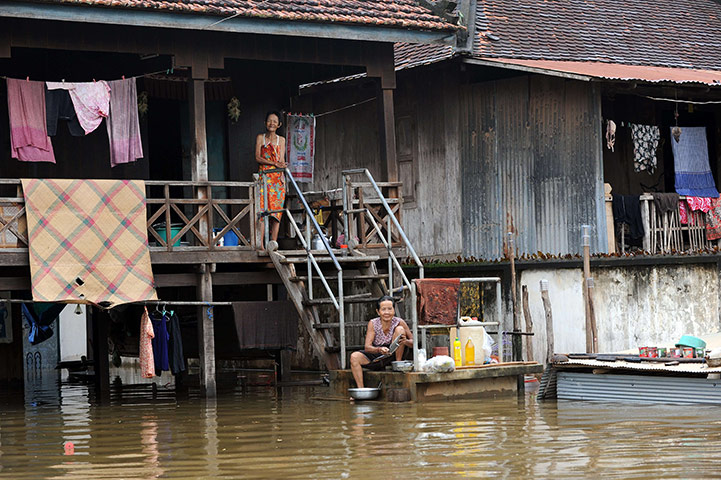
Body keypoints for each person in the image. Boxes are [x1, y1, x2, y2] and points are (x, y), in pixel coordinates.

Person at [350, 295, 413, 389]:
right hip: (378, 354)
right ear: (378, 312)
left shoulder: (399, 321)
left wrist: (405, 341)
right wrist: (379, 349)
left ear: (394, 311)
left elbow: (413, 343)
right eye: (383, 309)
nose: (387, 312)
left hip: (394, 354)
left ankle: (397, 364)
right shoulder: (373, 323)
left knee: (400, 329)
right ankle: (361, 390)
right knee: (354, 357)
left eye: (389, 309)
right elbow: (367, 347)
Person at [255, 111, 287, 245]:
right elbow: (257, 157)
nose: (272, 123)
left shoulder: (281, 140)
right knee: (262, 212)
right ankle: (261, 245)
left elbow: (281, 160)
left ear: (279, 124)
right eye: (269, 120)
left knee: (276, 213)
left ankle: (273, 243)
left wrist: (283, 177)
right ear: (265, 123)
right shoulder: (260, 138)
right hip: (264, 178)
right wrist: (273, 163)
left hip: (277, 180)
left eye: (275, 121)